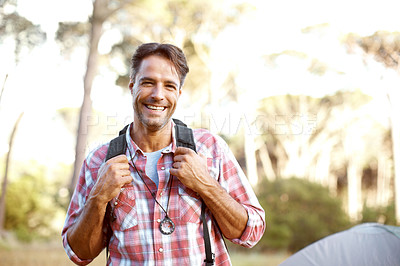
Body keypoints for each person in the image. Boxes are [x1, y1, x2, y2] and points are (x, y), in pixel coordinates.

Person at [62, 42, 266, 266]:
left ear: (178, 93)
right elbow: (79, 254)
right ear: (132, 87)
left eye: (169, 86)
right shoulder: (99, 161)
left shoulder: (211, 148)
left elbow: (252, 232)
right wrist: (99, 197)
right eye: (148, 83)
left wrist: (206, 184)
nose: (158, 95)